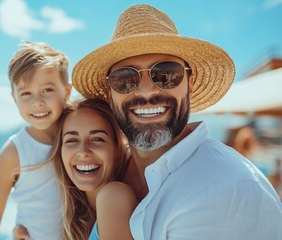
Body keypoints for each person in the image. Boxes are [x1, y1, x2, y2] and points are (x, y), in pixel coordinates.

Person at [72, 4, 282, 240]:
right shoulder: (112, 168)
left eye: (166, 74)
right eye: (125, 79)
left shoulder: (228, 190)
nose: (146, 91)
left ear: (189, 84)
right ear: (110, 95)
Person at [0, 41, 72, 240]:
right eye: (26, 93)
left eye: (47, 90)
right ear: (14, 98)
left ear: (67, 91)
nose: (37, 101)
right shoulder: (14, 151)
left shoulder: (78, 135)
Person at [14, 98, 137, 240]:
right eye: (71, 140)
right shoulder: (75, 219)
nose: (83, 151)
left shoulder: (114, 195)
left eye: (97, 139)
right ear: (61, 151)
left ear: (117, 149)